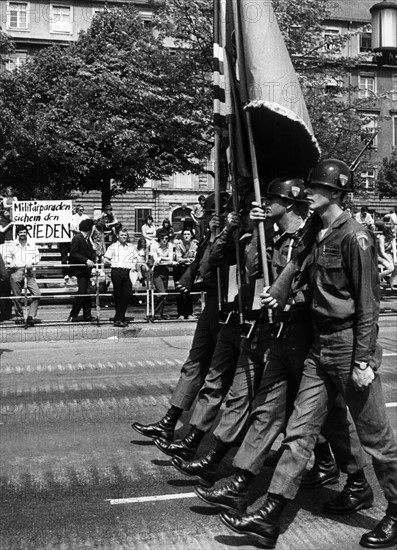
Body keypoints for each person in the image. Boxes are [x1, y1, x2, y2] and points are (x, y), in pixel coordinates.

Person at [220, 159, 397, 550]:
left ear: (334, 194)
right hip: (319, 347)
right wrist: (279, 291)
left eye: (315, 189)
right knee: (299, 432)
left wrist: (364, 360)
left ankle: (396, 511)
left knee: (377, 441)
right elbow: (296, 266)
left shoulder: (356, 237)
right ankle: (270, 516)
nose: (306, 194)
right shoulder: (316, 233)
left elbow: (369, 305)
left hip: (351, 346)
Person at [153, 194, 271, 462]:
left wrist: (250, 230)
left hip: (249, 314)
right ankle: (180, 429)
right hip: (223, 310)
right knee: (210, 374)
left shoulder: (263, 238)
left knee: (267, 392)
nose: (209, 218)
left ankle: (319, 456)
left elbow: (251, 269)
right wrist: (224, 230)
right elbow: (207, 264)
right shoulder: (228, 235)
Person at [131, 197, 228, 443]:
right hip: (212, 306)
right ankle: (169, 421)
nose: (205, 219)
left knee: (240, 382)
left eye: (210, 214)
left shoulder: (234, 237)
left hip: (230, 310)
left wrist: (224, 232)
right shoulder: (209, 236)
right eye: (205, 215)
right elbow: (200, 264)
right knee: (194, 364)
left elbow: (215, 262)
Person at [4, 225, 41, 326]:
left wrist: (32, 262)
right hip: (16, 271)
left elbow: (37, 257)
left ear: (26, 233)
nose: (23, 234)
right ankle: (20, 317)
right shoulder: (12, 244)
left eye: (24, 232)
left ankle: (30, 316)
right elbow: (7, 257)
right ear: (17, 234)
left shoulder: (32, 244)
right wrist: (10, 262)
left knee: (37, 294)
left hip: (29, 271)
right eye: (20, 232)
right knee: (17, 297)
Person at [103, 229, 137, 327]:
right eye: (122, 235)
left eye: (125, 235)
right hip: (117, 271)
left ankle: (118, 317)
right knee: (118, 295)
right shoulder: (113, 247)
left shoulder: (131, 247)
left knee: (127, 294)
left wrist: (134, 265)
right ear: (118, 236)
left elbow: (136, 258)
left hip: (128, 272)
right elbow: (105, 259)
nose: (124, 237)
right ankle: (120, 318)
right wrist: (112, 262)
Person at [67, 218, 96, 323]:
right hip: (80, 270)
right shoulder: (77, 238)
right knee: (82, 292)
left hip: (87, 270)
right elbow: (73, 253)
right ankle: (73, 314)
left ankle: (87, 314)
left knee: (87, 292)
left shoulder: (87, 239)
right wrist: (86, 260)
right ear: (89, 228)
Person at [173, 227, 198, 320]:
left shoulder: (194, 244)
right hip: (179, 269)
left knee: (189, 292)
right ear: (182, 236)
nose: (186, 236)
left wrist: (186, 259)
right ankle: (181, 314)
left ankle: (189, 313)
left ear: (191, 235)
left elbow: (195, 257)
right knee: (180, 292)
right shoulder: (179, 245)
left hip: (190, 269)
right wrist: (187, 259)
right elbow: (178, 259)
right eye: (185, 234)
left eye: (188, 234)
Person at [150, 229, 175, 319]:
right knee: (162, 292)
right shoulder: (154, 245)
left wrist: (161, 258)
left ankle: (159, 314)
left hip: (165, 269)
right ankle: (156, 314)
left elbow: (171, 258)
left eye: (166, 238)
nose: (165, 240)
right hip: (155, 270)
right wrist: (162, 258)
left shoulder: (170, 245)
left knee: (164, 294)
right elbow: (156, 260)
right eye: (162, 238)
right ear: (159, 239)